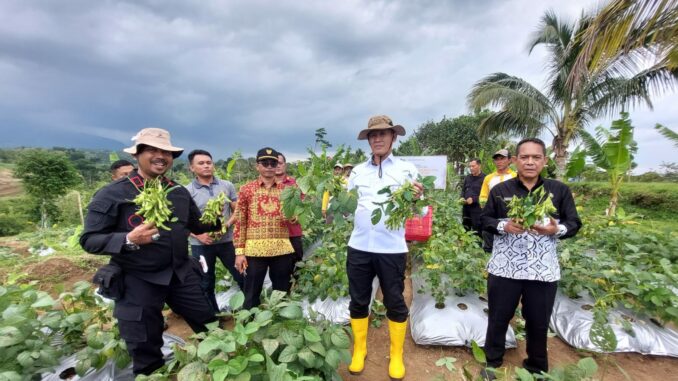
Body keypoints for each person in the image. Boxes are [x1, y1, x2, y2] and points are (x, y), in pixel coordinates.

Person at [80, 128, 217, 376]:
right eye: (152, 150)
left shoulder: (178, 192)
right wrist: (128, 238)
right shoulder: (114, 193)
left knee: (210, 324)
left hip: (179, 274)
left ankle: (221, 368)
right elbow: (89, 239)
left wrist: (222, 215)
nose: (160, 156)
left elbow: (197, 225)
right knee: (144, 344)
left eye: (165, 152)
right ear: (138, 155)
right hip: (137, 279)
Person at [480, 138, 581, 380]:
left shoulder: (559, 191)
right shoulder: (500, 191)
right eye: (524, 157)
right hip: (505, 268)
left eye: (536, 157)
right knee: (498, 317)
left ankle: (536, 368)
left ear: (544, 161)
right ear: (515, 160)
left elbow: (574, 223)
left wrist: (556, 230)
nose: (530, 162)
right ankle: (492, 363)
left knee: (538, 321)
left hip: (542, 270)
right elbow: (484, 220)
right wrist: (504, 225)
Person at [346, 115, 422, 381]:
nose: (377, 139)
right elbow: (346, 208)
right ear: (368, 140)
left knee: (394, 300)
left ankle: (397, 354)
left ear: (393, 137)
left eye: (383, 134)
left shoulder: (406, 170)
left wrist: (417, 199)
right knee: (358, 299)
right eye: (372, 135)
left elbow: (420, 210)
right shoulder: (356, 171)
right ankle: (359, 349)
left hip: (392, 248)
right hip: (358, 246)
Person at [233, 147, 296, 309]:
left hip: (281, 249)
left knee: (281, 291)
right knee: (252, 290)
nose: (269, 166)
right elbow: (240, 221)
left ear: (277, 166)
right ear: (257, 166)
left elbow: (294, 216)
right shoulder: (246, 189)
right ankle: (250, 326)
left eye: (272, 163)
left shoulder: (287, 190)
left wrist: (293, 216)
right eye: (265, 163)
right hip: (254, 251)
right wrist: (239, 253)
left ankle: (280, 324)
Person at [185, 149, 243, 312]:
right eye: (201, 163)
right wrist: (198, 235)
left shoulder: (227, 185)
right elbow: (181, 220)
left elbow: (237, 210)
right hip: (201, 245)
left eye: (208, 163)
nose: (206, 166)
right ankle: (213, 317)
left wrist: (226, 225)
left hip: (227, 241)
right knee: (205, 281)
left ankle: (250, 310)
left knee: (241, 274)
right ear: (192, 168)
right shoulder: (187, 191)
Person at [479, 149, 516, 252]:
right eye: (497, 159)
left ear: (509, 160)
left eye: (502, 159)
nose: (499, 162)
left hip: (510, 214)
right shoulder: (488, 178)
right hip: (492, 214)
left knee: (510, 240)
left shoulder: (516, 177)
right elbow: (483, 195)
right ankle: (488, 256)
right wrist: (483, 204)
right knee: (488, 235)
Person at [275, 152, 304, 263]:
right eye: (275, 163)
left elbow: (303, 203)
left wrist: (297, 214)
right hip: (275, 234)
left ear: (285, 165)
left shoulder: (295, 184)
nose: (277, 166)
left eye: (280, 163)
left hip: (293, 231)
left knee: (297, 264)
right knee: (278, 267)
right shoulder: (267, 185)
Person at [461, 158, 486, 236]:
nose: (471, 168)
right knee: (465, 228)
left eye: (473, 166)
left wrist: (474, 199)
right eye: (470, 166)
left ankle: (478, 247)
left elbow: (486, 195)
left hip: (477, 210)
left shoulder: (485, 178)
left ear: (479, 166)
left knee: (477, 230)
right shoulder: (468, 177)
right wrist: (461, 198)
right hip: (466, 208)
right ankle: (466, 246)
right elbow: (463, 190)